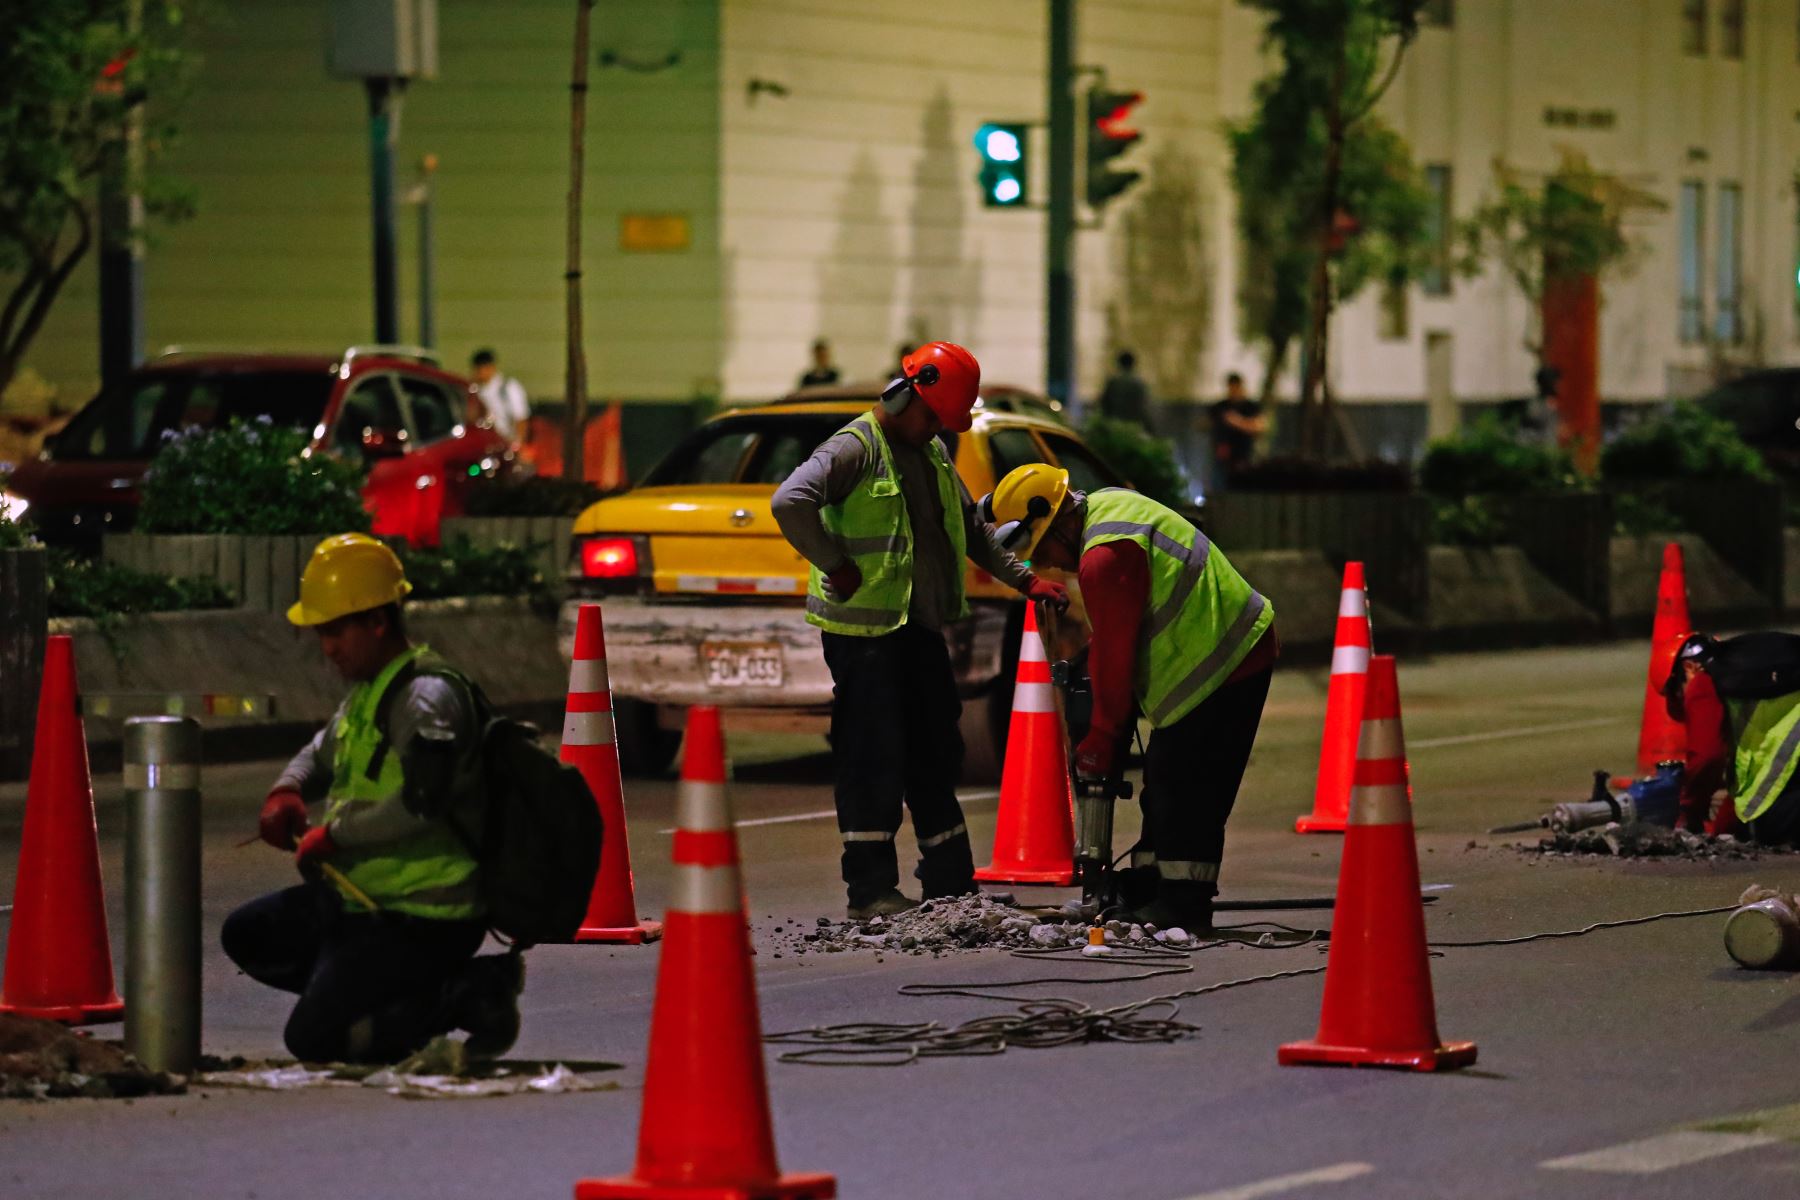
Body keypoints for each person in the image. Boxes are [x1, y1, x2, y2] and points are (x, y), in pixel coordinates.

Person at [772, 342, 1070, 919]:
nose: (938, 427)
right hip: (865, 637)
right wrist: (835, 564)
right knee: (872, 754)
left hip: (917, 630)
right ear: (908, 393)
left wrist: (1026, 581)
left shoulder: (930, 451)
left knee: (935, 753)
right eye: (934, 415)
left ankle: (951, 887)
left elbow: (973, 531)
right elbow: (791, 502)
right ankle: (870, 891)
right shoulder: (854, 448)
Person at [221, 534, 523, 1064]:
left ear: (377, 622)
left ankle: (465, 991)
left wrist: (334, 836)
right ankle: (369, 993)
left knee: (314, 1042)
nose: (327, 647)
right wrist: (287, 790)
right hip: (363, 903)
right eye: (321, 633)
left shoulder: (425, 698)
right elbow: (322, 751)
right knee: (249, 934)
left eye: (335, 631)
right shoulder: (371, 690)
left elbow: (421, 801)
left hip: (424, 917)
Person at [980, 463, 1278, 932]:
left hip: (1225, 659)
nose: (1051, 564)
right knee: (1163, 783)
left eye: (1045, 550)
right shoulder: (1111, 508)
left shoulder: (1105, 556)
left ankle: (1184, 905)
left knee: (1186, 788)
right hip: (1218, 653)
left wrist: (1101, 736)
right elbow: (1120, 634)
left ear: (1058, 521)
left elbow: (1116, 664)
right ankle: (1146, 889)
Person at [1662, 633, 1738, 837]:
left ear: (1689, 668)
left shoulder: (1703, 682)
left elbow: (1707, 758)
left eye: (1678, 690)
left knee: (1726, 827)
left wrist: (1689, 808)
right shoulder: (1736, 670)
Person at [1208, 372, 1268, 491]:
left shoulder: (1250, 407)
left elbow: (1260, 426)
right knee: (1219, 486)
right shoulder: (1220, 406)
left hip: (1244, 456)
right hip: (1223, 457)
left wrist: (1237, 421)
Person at [470, 348, 530, 442]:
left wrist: (518, 444)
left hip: (507, 441)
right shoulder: (476, 390)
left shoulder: (509, 387)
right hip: (486, 442)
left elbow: (521, 418)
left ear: (491, 367)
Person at [1096, 350, 1152, 426]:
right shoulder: (1138, 383)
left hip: (1115, 423)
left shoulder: (1113, 381)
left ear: (1119, 363)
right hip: (1133, 424)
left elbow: (1105, 404)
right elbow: (1143, 406)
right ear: (1133, 363)